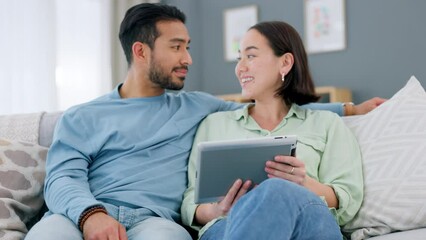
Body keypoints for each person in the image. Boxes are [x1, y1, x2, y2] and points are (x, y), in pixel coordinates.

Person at [25, 3, 380, 240]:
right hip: (83, 213)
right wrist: (91, 215)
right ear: (141, 51)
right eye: (177, 47)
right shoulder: (83, 116)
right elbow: (62, 178)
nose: (189, 59)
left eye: (188, 46)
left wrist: (350, 110)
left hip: (155, 222)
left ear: (284, 63)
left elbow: (279, 111)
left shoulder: (197, 107)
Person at [181, 21, 364, 240]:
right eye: (239, 58)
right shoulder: (215, 124)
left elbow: (348, 197)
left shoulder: (327, 123)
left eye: (250, 56)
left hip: (310, 225)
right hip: (228, 226)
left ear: (285, 63)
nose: (240, 67)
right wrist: (217, 210)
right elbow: (191, 200)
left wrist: (303, 184)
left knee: (276, 189)